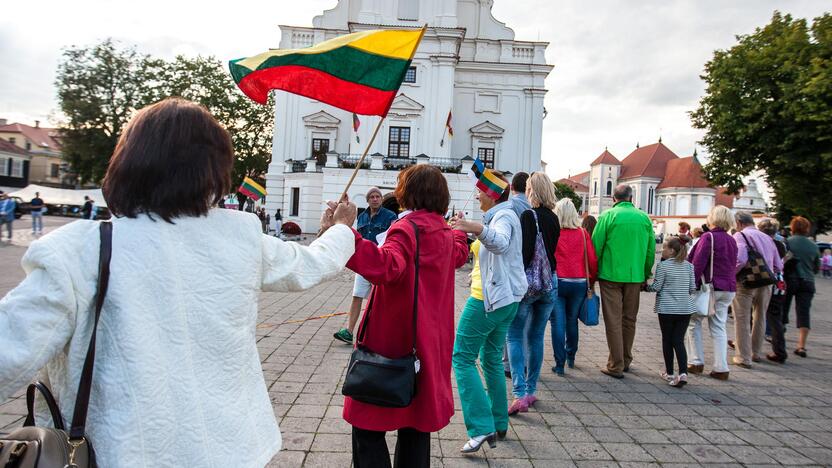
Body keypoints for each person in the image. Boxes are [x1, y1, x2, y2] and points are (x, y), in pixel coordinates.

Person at [0, 98, 359, 467]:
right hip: (231, 449)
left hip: (125, 452)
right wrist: (342, 229)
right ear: (212, 170)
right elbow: (312, 264)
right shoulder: (239, 238)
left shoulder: (78, 250)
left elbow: (8, 353)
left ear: (127, 162)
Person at [342, 165, 469, 468]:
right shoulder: (443, 231)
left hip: (393, 341)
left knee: (367, 426)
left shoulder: (406, 228)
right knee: (415, 426)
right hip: (429, 344)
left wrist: (345, 232)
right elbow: (459, 253)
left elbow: (385, 266)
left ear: (407, 192)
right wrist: (460, 231)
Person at [450, 170, 527, 454]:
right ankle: (498, 421)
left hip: (488, 299)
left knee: (461, 358)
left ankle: (482, 427)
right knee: (492, 358)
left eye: (481, 191)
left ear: (492, 193)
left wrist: (474, 228)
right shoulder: (500, 215)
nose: (477, 195)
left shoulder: (503, 217)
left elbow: (501, 242)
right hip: (506, 299)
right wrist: (464, 231)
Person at [506, 172, 559, 416]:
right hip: (550, 283)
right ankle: (530, 389)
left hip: (529, 284)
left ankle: (518, 393)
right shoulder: (554, 217)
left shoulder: (529, 215)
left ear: (531, 190)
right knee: (536, 337)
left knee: (514, 335)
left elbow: (525, 254)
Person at [592, 184, 654, 378]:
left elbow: (596, 246)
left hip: (610, 274)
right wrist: (645, 273)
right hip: (635, 275)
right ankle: (626, 359)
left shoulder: (607, 216)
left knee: (613, 320)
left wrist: (593, 275)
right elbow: (651, 250)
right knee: (630, 319)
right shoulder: (644, 218)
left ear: (613, 199)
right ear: (631, 198)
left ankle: (615, 364)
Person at [334, 187, 397, 344]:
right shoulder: (361, 216)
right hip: (364, 263)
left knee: (379, 300)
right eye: (372, 197)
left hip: (379, 262)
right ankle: (349, 331)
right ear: (367, 200)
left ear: (381, 199)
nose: (375, 199)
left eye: (378, 196)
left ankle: (379, 334)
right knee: (357, 296)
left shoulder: (390, 216)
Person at [685, 205, 738, 380]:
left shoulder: (708, 237)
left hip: (710, 287)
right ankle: (721, 367)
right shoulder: (732, 240)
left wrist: (690, 285)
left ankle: (696, 361)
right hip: (728, 287)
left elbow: (697, 264)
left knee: (694, 322)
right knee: (718, 326)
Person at [731, 211, 783, 368]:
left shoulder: (740, 236)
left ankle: (743, 357)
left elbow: (740, 259)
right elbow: (778, 265)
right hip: (766, 283)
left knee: (742, 319)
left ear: (739, 222)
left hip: (746, 282)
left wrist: (731, 274)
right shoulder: (768, 238)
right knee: (760, 317)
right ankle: (755, 353)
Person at [553, 198, 597, 372]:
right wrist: (591, 281)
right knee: (572, 321)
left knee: (558, 322)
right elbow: (592, 260)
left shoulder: (555, 232)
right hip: (579, 282)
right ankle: (571, 356)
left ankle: (559, 364)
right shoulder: (582, 233)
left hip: (559, 281)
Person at [647, 237, 696, 387]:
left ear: (672, 251)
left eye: (666, 248)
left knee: (667, 340)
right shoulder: (689, 266)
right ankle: (683, 373)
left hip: (667, 309)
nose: (663, 250)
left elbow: (657, 287)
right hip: (685, 309)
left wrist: (645, 287)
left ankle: (669, 372)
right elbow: (692, 288)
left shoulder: (663, 266)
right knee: (679, 340)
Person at [502, 171, 531, 376]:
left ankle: (508, 364)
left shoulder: (509, 207)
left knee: (509, 324)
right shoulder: (534, 207)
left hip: (512, 267)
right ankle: (525, 362)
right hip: (532, 270)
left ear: (512, 188)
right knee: (527, 323)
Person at [783, 216, 820, 358]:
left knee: (783, 309)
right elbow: (816, 268)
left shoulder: (788, 242)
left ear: (792, 227)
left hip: (790, 280)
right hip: (808, 282)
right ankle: (801, 346)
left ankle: (779, 340)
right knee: (804, 312)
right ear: (807, 228)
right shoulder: (814, 246)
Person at [757, 219, 788, 363]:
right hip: (779, 282)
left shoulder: (761, 242)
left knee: (756, 314)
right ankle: (780, 350)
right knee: (775, 317)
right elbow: (781, 264)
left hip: (763, 280)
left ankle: (748, 343)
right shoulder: (781, 245)